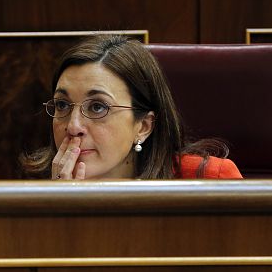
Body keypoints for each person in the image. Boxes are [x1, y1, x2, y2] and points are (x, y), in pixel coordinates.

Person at [21, 34, 242, 180]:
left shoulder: (209, 179)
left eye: (97, 107)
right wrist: (58, 211)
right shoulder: (36, 190)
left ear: (143, 126)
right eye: (62, 105)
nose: (73, 126)